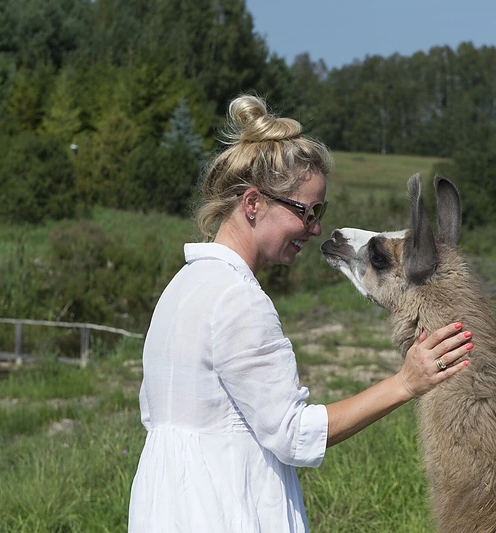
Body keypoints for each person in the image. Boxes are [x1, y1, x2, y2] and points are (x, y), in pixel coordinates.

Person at [128, 94, 473, 533]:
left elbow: (158, 418)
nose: (314, 229)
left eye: (319, 213)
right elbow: (293, 435)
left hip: (163, 509)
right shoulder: (238, 299)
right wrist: (405, 383)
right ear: (253, 204)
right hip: (223, 508)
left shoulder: (181, 289)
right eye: (305, 212)